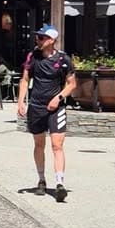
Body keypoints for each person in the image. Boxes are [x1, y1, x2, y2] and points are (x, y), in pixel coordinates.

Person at [17, 25, 76, 202]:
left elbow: (72, 84)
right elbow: (25, 79)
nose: (38, 40)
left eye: (41, 38)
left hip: (56, 108)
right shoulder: (32, 56)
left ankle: (59, 184)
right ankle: (41, 180)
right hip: (36, 106)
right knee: (39, 144)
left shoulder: (64, 59)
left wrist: (58, 98)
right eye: (37, 37)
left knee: (57, 145)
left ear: (51, 40)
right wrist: (21, 101)